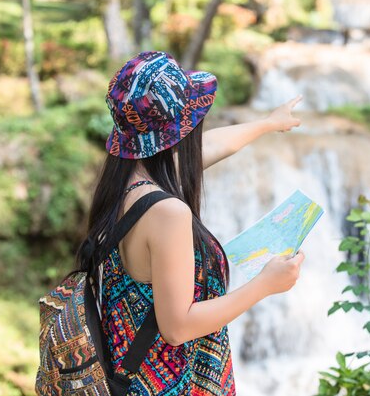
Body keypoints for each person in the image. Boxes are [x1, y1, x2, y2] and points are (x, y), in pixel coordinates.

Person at [77, 51, 306, 396]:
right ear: (177, 134)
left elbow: (207, 148)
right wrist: (266, 284)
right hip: (169, 387)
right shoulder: (168, 212)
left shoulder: (124, 183)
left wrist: (267, 123)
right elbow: (177, 327)